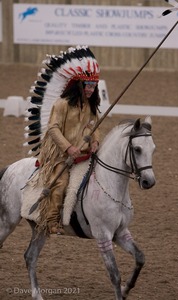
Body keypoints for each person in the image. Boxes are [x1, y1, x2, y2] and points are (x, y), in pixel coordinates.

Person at [27, 46, 101, 235]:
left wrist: (95, 142)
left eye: (94, 86)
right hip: (59, 154)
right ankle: (51, 221)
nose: (91, 89)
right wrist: (68, 148)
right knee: (60, 182)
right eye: (88, 85)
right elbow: (53, 128)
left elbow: (94, 127)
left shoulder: (91, 106)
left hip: (84, 153)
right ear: (79, 85)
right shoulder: (62, 104)